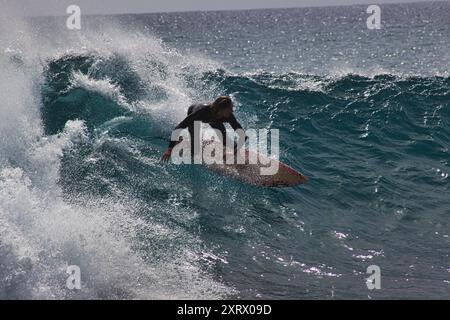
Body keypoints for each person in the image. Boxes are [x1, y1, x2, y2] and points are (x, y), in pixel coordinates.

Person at [161, 96, 245, 162]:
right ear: (222, 109)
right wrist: (169, 149)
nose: (232, 111)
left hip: (214, 118)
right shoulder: (202, 112)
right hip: (195, 111)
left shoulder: (228, 115)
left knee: (224, 138)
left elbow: (240, 131)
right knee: (195, 146)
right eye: (230, 109)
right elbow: (179, 127)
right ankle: (182, 143)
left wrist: (236, 148)